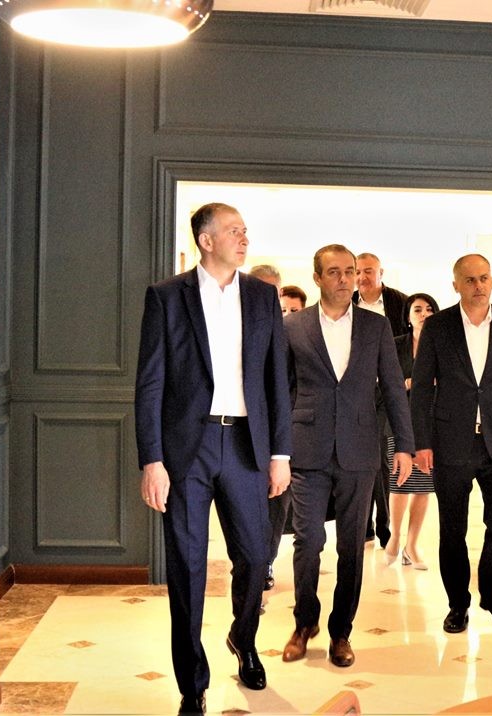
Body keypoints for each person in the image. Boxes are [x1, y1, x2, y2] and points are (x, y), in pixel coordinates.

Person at [134, 203, 292, 716]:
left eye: (245, 231)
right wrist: (152, 460)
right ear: (206, 240)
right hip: (187, 450)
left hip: (247, 446)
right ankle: (192, 683)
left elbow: (277, 380)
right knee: (187, 567)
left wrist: (280, 453)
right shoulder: (166, 297)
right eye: (233, 231)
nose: (244, 239)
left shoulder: (262, 297)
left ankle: (243, 639)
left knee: (256, 556)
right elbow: (150, 383)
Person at [282, 244, 414, 668]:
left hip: (359, 449)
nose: (344, 279)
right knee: (308, 540)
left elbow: (393, 388)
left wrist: (405, 445)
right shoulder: (293, 326)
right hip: (307, 448)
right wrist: (276, 450)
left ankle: (341, 632)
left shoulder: (376, 327)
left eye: (350, 271)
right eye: (334, 272)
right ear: (317, 278)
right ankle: (305, 623)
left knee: (352, 546)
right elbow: (281, 390)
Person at [410, 254, 492, 636]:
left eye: (484, 278)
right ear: (456, 285)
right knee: (452, 527)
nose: (478, 286)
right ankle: (457, 604)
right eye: (470, 280)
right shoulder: (437, 327)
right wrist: (421, 443)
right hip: (451, 441)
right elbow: (421, 389)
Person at [352, 252, 408, 547]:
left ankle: (381, 525)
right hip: (358, 392)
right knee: (365, 456)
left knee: (380, 457)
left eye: (368, 271)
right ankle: (367, 525)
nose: (362, 277)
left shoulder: (400, 303)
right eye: (358, 271)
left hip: (388, 390)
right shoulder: (347, 303)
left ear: (381, 273)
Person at [383, 292, 440, 570]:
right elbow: (383, 379)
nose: (424, 314)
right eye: (417, 309)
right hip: (399, 421)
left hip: (431, 422)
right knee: (400, 481)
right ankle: (394, 537)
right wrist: (406, 383)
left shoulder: (443, 345)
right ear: (407, 316)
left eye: (429, 309)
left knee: (424, 485)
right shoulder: (395, 345)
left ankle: (412, 545)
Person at [263, 284, 309, 594]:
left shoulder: (308, 348)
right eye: (283, 310)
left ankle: (266, 561)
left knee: (278, 503)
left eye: (294, 311)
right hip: (255, 434)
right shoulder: (260, 339)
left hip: (292, 438)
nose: (287, 316)